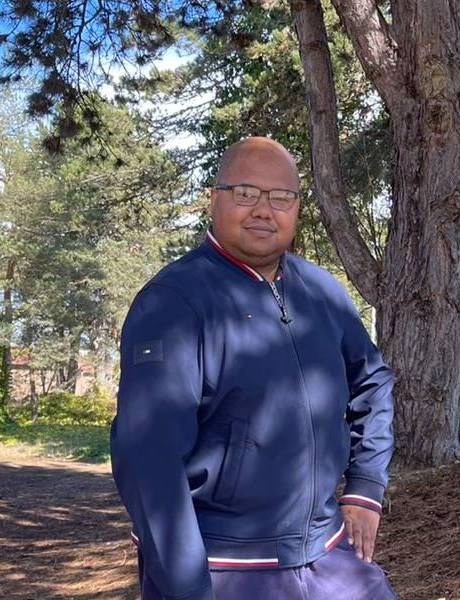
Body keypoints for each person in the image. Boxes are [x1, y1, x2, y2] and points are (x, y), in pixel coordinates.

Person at [110, 137, 399, 600]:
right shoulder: (172, 302)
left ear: (297, 208)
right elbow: (149, 462)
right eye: (245, 193)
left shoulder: (321, 291)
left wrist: (366, 486)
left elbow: (373, 380)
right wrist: (187, 587)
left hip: (326, 554)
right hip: (224, 566)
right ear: (214, 198)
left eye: (281, 197)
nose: (264, 210)